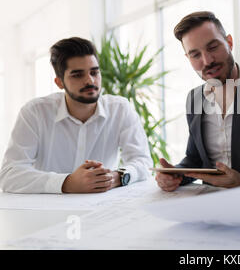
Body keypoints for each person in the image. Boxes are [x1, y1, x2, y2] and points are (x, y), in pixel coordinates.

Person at [0, 37, 152, 194]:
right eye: (77, 75)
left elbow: (143, 161)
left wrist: (117, 177)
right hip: (49, 212)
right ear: (59, 82)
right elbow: (9, 174)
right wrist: (66, 183)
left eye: (94, 72)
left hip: (101, 209)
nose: (90, 80)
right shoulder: (35, 112)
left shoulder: (120, 109)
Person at [155, 11, 240, 192]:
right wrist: (175, 174)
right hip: (210, 202)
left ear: (229, 42)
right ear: (188, 59)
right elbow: (195, 159)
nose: (207, 61)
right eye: (195, 55)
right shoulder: (195, 99)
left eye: (212, 48)